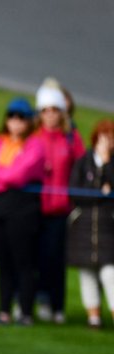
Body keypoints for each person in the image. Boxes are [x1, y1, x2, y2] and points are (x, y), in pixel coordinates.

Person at [0, 97, 45, 325]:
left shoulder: (35, 144)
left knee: (23, 262)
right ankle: (4, 310)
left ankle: (25, 312)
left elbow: (20, 174)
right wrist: (3, 176)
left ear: (29, 122)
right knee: (2, 262)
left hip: (21, 211)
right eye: (12, 117)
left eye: (21, 118)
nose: (16, 122)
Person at [31, 83, 84, 324]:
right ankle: (40, 299)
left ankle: (57, 305)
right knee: (36, 256)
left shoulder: (71, 138)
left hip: (61, 208)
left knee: (56, 257)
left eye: (55, 109)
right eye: (45, 110)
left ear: (62, 112)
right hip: (35, 206)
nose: (50, 114)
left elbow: (82, 168)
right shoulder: (33, 137)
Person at [66, 119, 114, 328]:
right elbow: (75, 193)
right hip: (83, 226)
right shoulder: (83, 161)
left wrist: (106, 163)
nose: (109, 141)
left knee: (110, 273)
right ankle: (93, 318)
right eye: (106, 136)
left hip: (107, 226)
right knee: (87, 273)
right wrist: (100, 194)